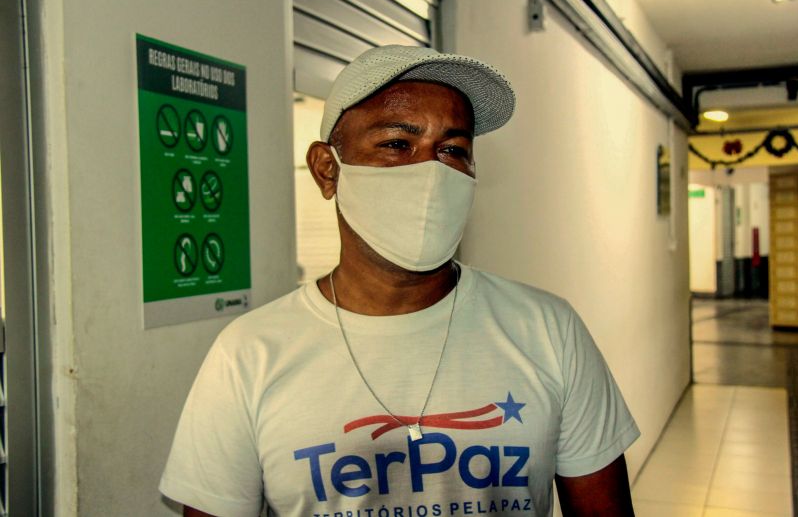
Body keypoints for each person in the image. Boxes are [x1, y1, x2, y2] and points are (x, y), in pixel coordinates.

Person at [160, 45, 639, 517]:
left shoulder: (549, 330)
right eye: (396, 144)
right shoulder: (249, 353)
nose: (431, 172)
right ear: (327, 170)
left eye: (453, 149)